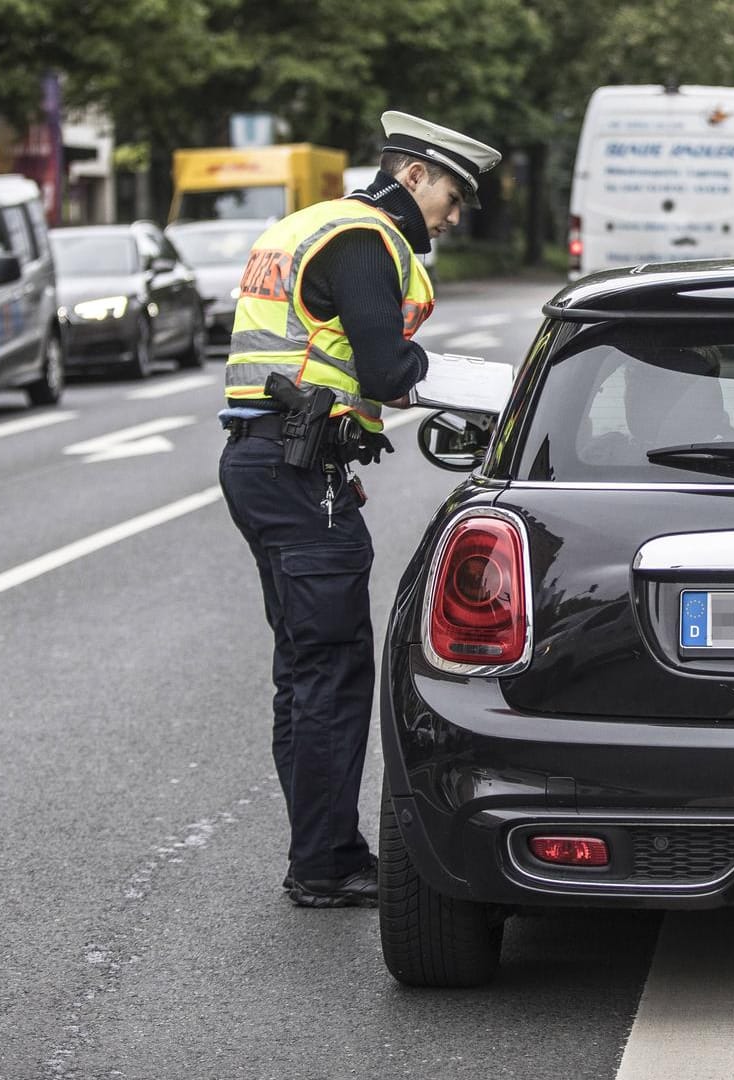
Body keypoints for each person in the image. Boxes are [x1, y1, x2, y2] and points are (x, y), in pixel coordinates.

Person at [218, 111, 500, 908]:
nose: (454, 213)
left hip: (267, 461)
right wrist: (493, 393)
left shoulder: (306, 225)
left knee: (304, 670)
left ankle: (320, 851)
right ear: (413, 175)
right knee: (334, 671)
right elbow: (384, 367)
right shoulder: (367, 239)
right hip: (298, 470)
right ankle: (326, 864)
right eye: (451, 193)